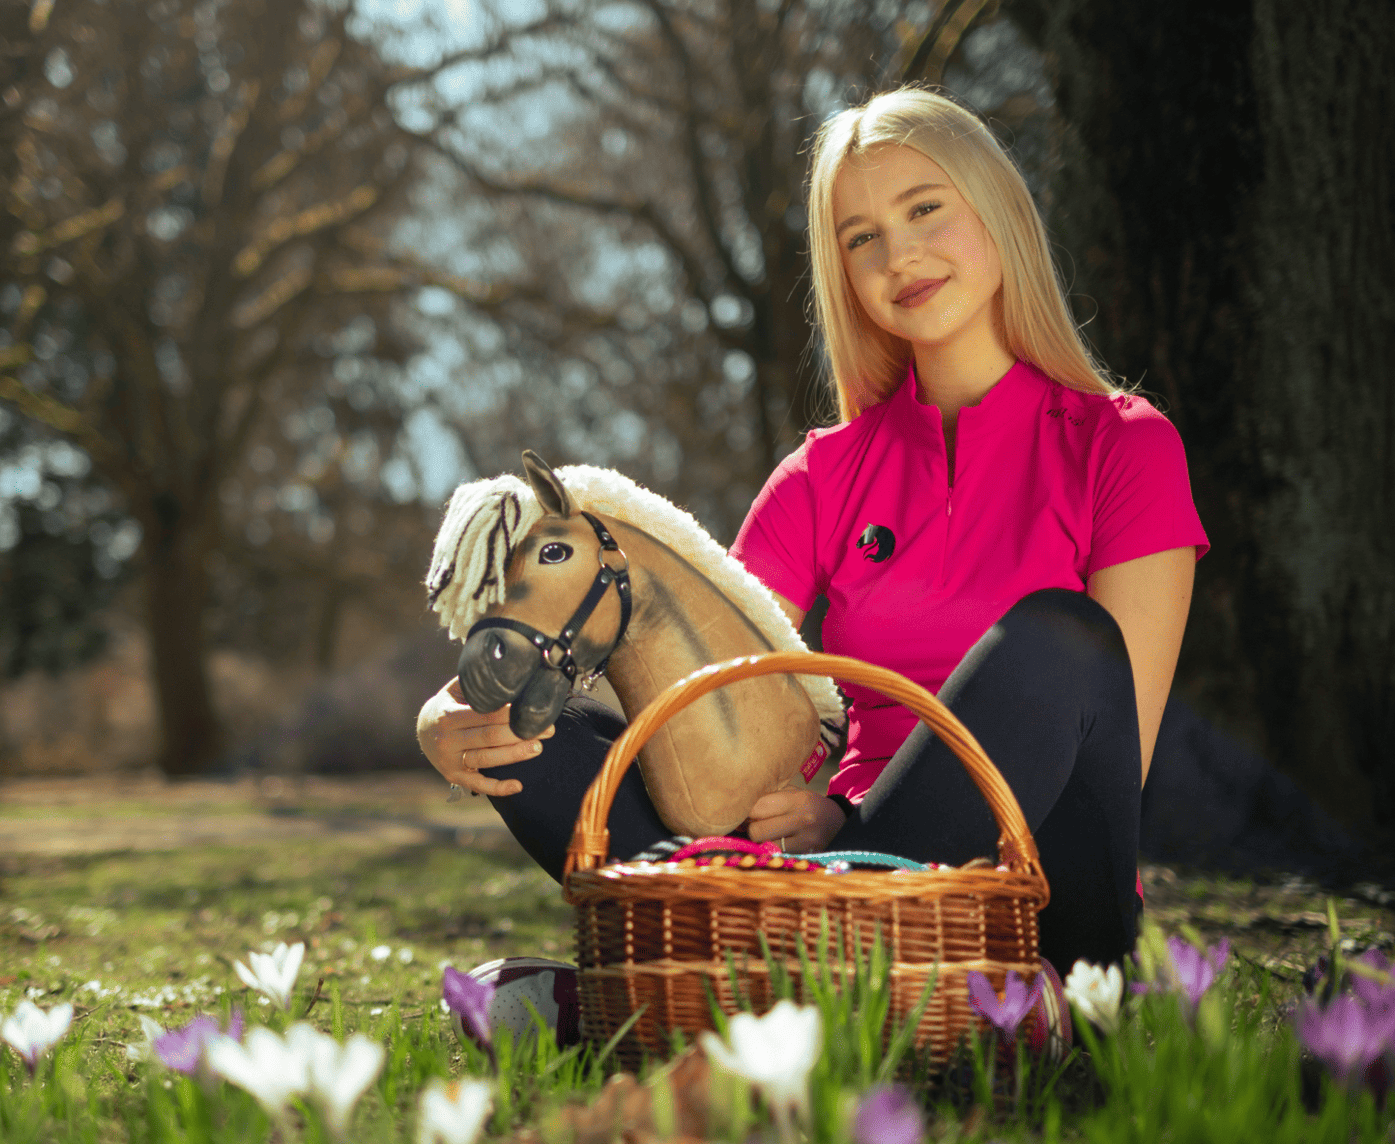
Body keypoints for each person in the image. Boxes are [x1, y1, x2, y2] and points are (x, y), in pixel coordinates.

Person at [416, 86, 1206, 978]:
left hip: (1039, 896)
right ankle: (814, 982)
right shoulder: (821, 477)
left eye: (925, 209)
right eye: (861, 237)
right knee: (535, 730)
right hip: (821, 869)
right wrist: (453, 717)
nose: (898, 255)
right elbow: (709, 703)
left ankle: (746, 982)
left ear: (998, 209)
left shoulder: (1124, 445)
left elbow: (1114, 756)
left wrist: (856, 827)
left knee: (1060, 642)